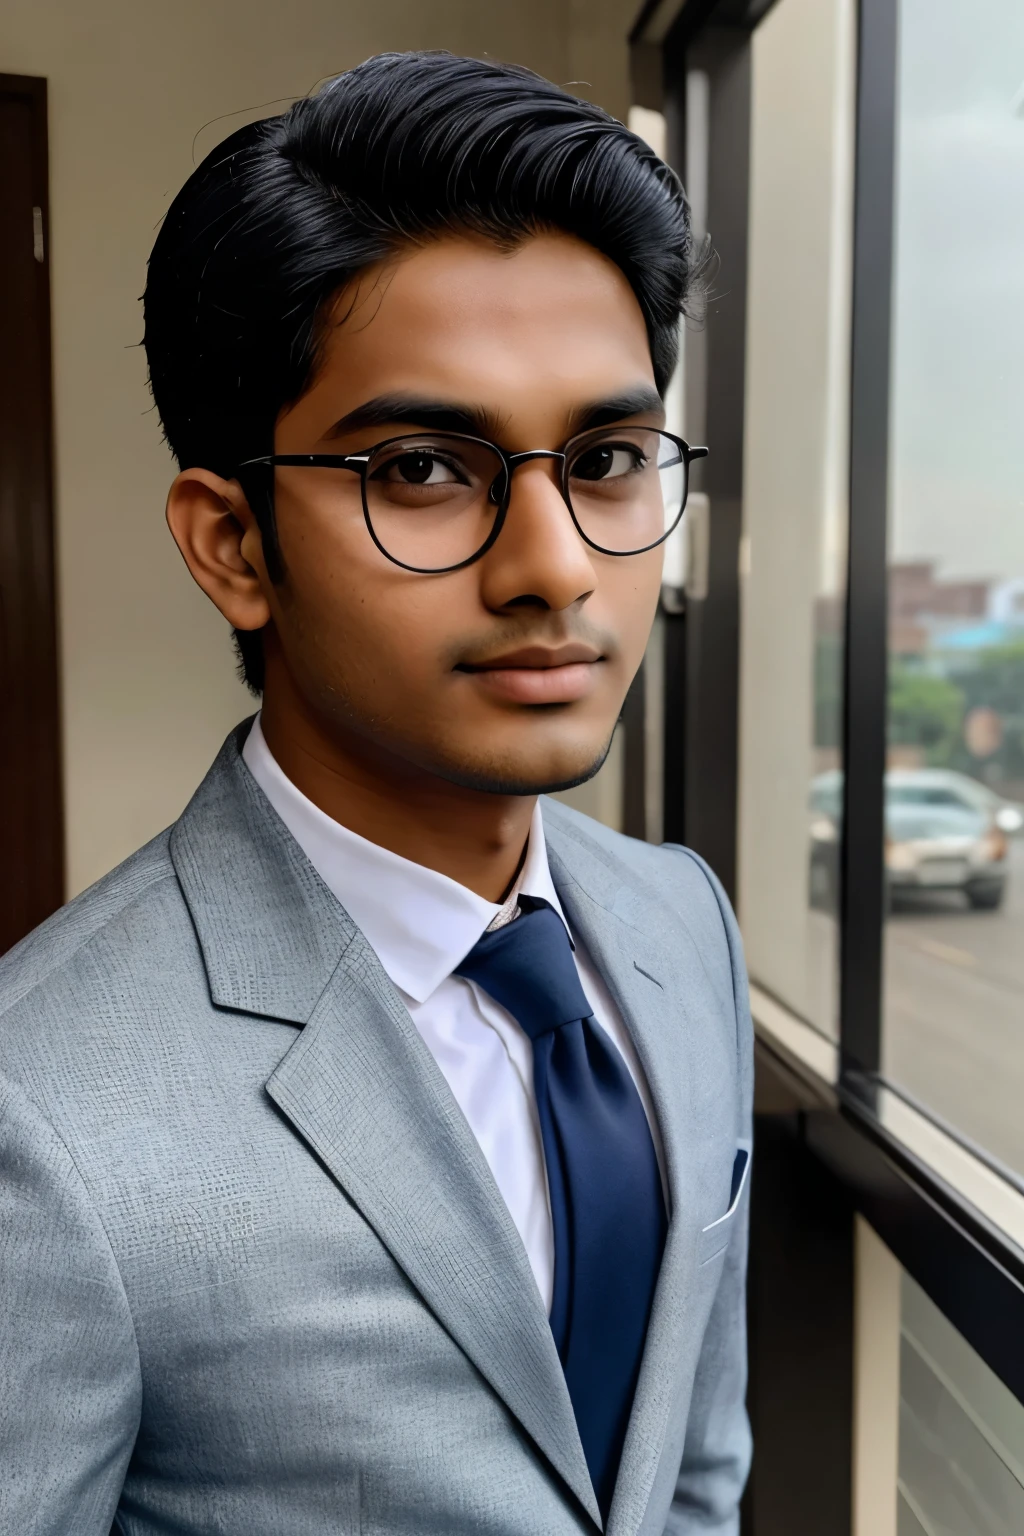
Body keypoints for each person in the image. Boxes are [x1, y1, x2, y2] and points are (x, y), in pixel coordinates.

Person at [0, 52, 752, 1535]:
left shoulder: (683, 922)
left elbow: (690, 1464)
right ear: (232, 544)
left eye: (606, 459)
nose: (554, 565)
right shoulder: (38, 1108)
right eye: (422, 467)